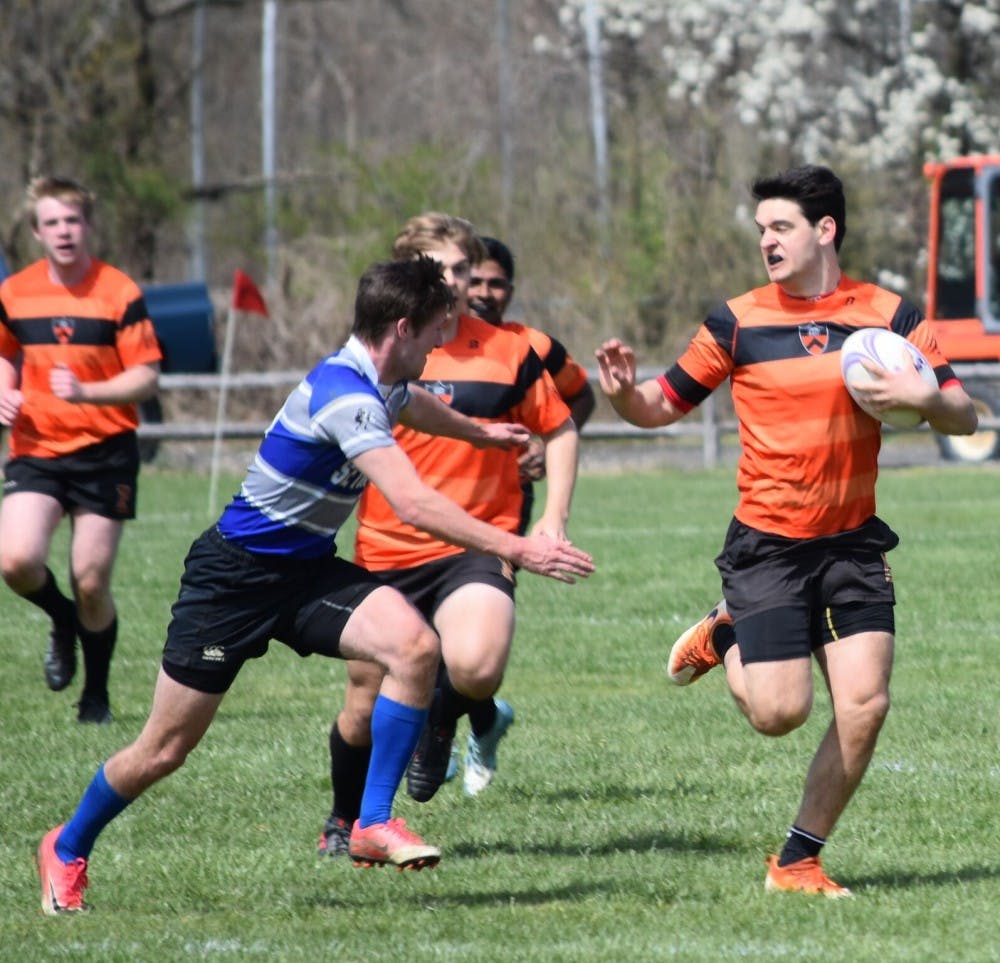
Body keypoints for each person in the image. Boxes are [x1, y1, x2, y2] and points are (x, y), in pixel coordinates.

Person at [35, 256, 594, 914]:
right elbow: (413, 502)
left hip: (304, 571)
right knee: (163, 751)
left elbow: (412, 404)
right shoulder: (345, 395)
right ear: (403, 328)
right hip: (233, 581)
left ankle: (371, 822)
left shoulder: (383, 379)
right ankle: (66, 845)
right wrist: (519, 547)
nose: (441, 346)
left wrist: (480, 432)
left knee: (414, 647)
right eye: (434, 332)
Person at [595, 165, 977, 898]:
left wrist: (925, 396)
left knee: (865, 705)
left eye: (780, 227)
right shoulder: (736, 320)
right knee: (779, 713)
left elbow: (965, 415)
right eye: (761, 229)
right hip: (769, 544)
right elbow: (660, 404)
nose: (766, 241)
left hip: (853, 540)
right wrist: (622, 396)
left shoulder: (890, 315)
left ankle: (798, 861)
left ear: (824, 230)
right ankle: (726, 634)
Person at [318, 215, 584, 855]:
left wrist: (552, 517)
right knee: (363, 702)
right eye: (446, 270)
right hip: (386, 547)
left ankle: (439, 717)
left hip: (478, 543)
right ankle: (343, 821)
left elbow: (561, 425)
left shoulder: (509, 349)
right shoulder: (384, 352)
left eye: (465, 269)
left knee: (478, 665)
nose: (460, 282)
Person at [0, 176, 163, 724]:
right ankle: (62, 618)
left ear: (88, 225)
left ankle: (95, 696)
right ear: (37, 232)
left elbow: (146, 376)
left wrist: (87, 392)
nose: (64, 231)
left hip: (105, 451)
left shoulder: (118, 291)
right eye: (52, 222)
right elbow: (4, 352)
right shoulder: (15, 292)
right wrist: (4, 390)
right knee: (15, 561)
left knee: (91, 582)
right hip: (37, 448)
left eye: (72, 220)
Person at [468, 236, 596, 534]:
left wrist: (545, 447)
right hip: (437, 490)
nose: (484, 293)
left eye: (495, 284)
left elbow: (582, 396)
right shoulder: (428, 342)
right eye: (475, 282)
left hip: (507, 499)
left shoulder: (534, 346)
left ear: (510, 292)